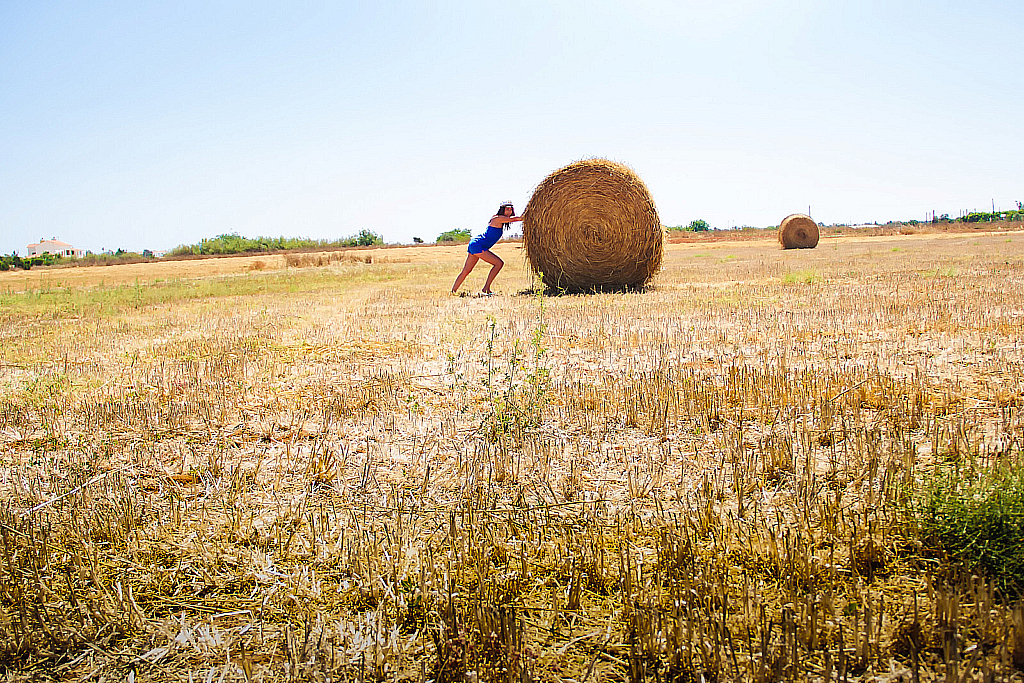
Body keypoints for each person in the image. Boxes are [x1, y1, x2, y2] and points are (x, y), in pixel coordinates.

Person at [451, 201, 523, 295]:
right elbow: (517, 219)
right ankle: (486, 288)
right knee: (498, 263)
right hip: (478, 245)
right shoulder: (497, 218)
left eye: (510, 209)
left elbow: (514, 219)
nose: (509, 211)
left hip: (477, 244)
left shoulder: (502, 220)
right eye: (507, 209)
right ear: (502, 210)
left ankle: (453, 291)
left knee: (467, 270)